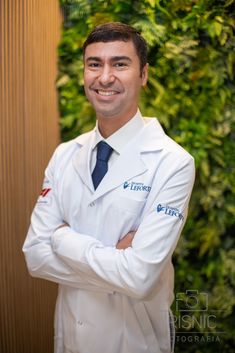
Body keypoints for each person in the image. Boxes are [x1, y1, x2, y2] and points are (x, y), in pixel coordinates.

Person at [23, 22, 195, 353]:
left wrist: (61, 239)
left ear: (143, 74)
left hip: (134, 342)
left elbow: (140, 278)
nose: (104, 77)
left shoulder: (173, 163)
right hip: (70, 339)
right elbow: (35, 256)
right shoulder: (65, 155)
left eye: (119, 63)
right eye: (94, 64)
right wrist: (117, 261)